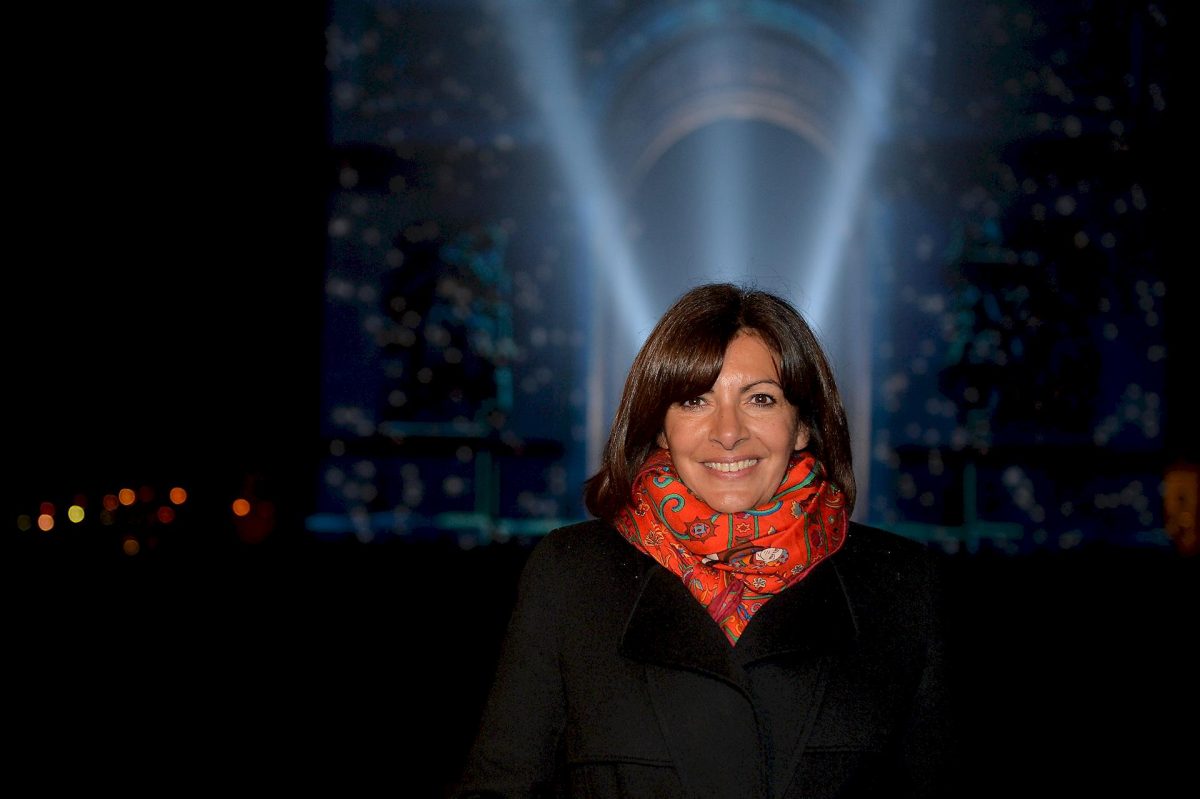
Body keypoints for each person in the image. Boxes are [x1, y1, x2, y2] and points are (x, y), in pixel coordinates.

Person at [452, 282, 958, 799]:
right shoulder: (572, 575)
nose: (728, 432)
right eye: (695, 400)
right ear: (661, 428)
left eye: (760, 399)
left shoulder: (900, 585)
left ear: (803, 425)